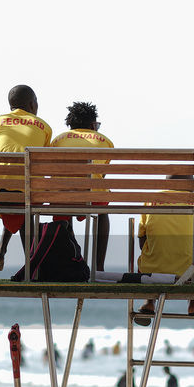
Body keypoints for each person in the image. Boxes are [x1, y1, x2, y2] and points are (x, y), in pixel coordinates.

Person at [0, 85, 52, 272]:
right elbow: (43, 162)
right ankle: (32, 265)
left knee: (15, 191)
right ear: (32, 104)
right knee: (25, 196)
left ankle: (1, 249)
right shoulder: (44, 126)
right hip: (27, 192)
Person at [49, 101, 114, 270]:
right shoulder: (106, 142)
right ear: (93, 125)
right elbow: (102, 174)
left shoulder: (57, 140)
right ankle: (99, 267)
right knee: (103, 211)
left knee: (63, 199)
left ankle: (71, 260)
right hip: (93, 198)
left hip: (63, 199)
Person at [134, 175, 194, 326]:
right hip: (188, 272)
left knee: (148, 255)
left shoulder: (151, 200)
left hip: (152, 271)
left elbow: (141, 241)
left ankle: (149, 302)